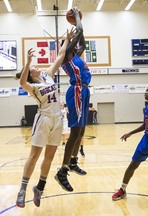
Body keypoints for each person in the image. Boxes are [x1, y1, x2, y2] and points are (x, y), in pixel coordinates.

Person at [15, 30, 72, 208]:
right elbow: (22, 83)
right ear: (30, 73)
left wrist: (67, 40)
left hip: (57, 119)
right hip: (44, 119)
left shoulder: (48, 75)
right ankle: (22, 190)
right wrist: (27, 62)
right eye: (33, 68)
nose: (36, 66)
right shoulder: (32, 86)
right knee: (34, 155)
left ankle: (40, 188)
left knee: (49, 157)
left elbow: (61, 56)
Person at [54, 7, 91, 192]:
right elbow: (81, 31)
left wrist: (77, 29)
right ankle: (62, 170)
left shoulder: (76, 54)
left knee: (82, 130)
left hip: (84, 91)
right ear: (66, 46)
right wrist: (76, 17)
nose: (76, 46)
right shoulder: (66, 55)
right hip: (75, 90)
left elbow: (82, 39)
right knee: (75, 131)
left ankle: (74, 162)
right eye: (71, 44)